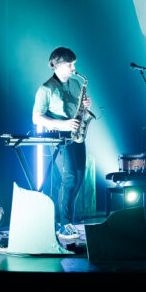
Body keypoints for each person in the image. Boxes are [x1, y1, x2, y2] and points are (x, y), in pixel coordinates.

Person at [32, 47, 91, 241]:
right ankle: (63, 223)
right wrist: (61, 123)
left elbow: (79, 109)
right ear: (57, 65)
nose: (73, 68)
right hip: (59, 137)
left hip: (77, 135)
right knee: (70, 178)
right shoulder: (46, 88)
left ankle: (66, 221)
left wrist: (85, 108)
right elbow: (36, 117)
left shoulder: (75, 83)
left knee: (80, 178)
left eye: (74, 64)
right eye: (70, 64)